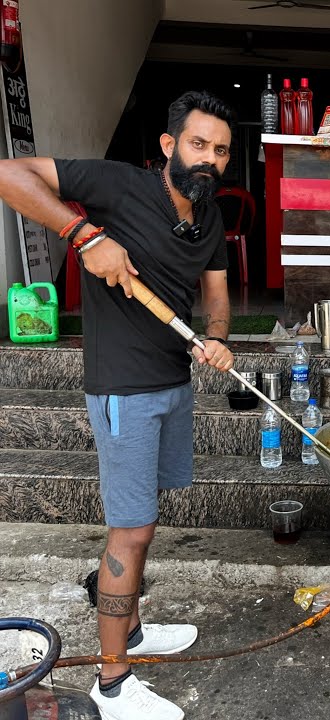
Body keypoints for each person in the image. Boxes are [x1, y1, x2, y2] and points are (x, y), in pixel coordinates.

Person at [0, 90, 237, 720]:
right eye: (197, 144)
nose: (209, 159)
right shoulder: (119, 186)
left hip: (171, 382)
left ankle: (130, 631)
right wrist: (83, 234)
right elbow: (8, 173)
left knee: (144, 520)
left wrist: (215, 338)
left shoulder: (208, 217)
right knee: (128, 532)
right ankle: (113, 682)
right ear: (169, 145)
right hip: (122, 391)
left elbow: (216, 293)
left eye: (220, 150)